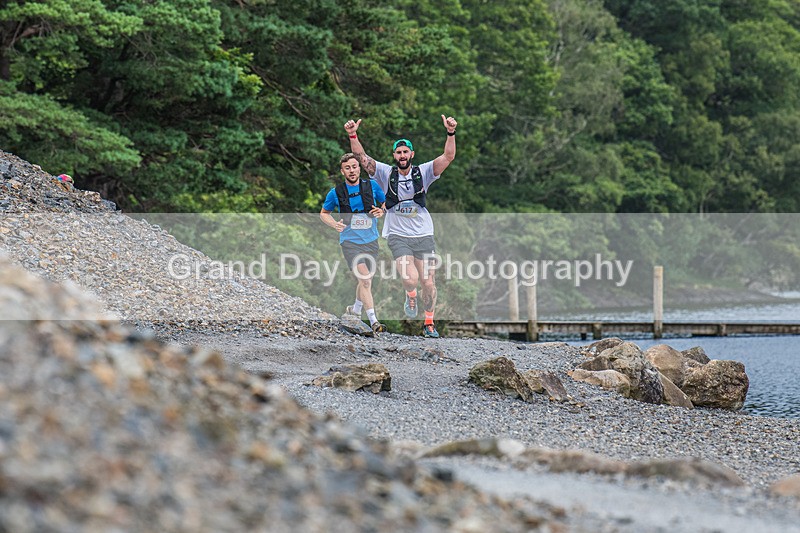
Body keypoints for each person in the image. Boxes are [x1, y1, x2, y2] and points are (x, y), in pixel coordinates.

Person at [344, 115, 457, 338]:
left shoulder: (423, 172)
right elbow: (361, 157)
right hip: (398, 234)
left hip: (424, 233)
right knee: (409, 279)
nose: (402, 156)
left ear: (411, 155)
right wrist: (352, 135)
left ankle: (429, 323)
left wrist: (451, 132)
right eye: (399, 152)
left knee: (428, 280)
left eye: (406, 152)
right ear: (394, 156)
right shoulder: (386, 173)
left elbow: (448, 156)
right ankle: (410, 294)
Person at [320, 152, 388, 333]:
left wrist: (382, 211)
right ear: (342, 171)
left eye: (354, 167)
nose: (351, 170)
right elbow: (323, 213)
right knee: (365, 279)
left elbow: (385, 203)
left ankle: (355, 309)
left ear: (359, 168)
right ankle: (374, 321)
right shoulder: (335, 193)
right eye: (347, 168)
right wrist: (334, 224)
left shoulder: (372, 186)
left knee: (366, 281)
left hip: (371, 240)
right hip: (350, 242)